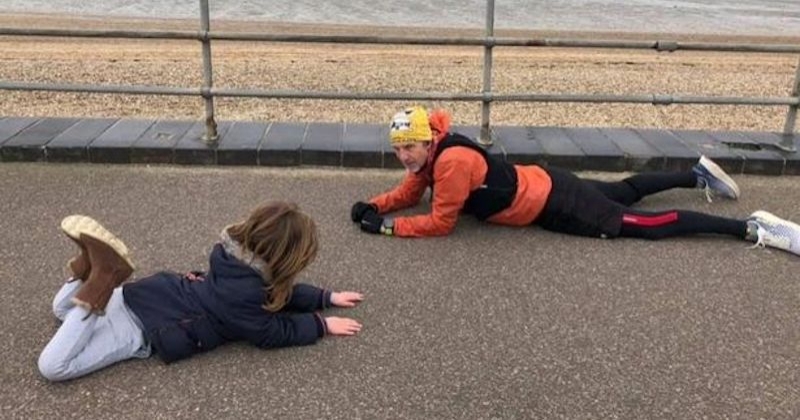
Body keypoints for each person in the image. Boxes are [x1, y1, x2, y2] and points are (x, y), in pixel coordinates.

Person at [350, 105, 800, 256]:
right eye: (397, 149)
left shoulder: (451, 164)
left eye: (407, 147)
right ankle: (694, 172)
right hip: (545, 180)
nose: (402, 155)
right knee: (623, 191)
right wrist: (376, 205)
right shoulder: (435, 151)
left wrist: (388, 228)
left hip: (555, 205)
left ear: (428, 140)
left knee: (646, 224)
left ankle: (752, 228)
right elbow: (411, 190)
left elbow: (441, 221)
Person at [39, 201, 364, 382]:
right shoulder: (245, 298)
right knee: (53, 367)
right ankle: (101, 278)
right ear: (284, 259)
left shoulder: (228, 259)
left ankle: (90, 270)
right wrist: (320, 325)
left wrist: (325, 298)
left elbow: (279, 294)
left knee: (63, 311)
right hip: (140, 327)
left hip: (135, 295)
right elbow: (270, 332)